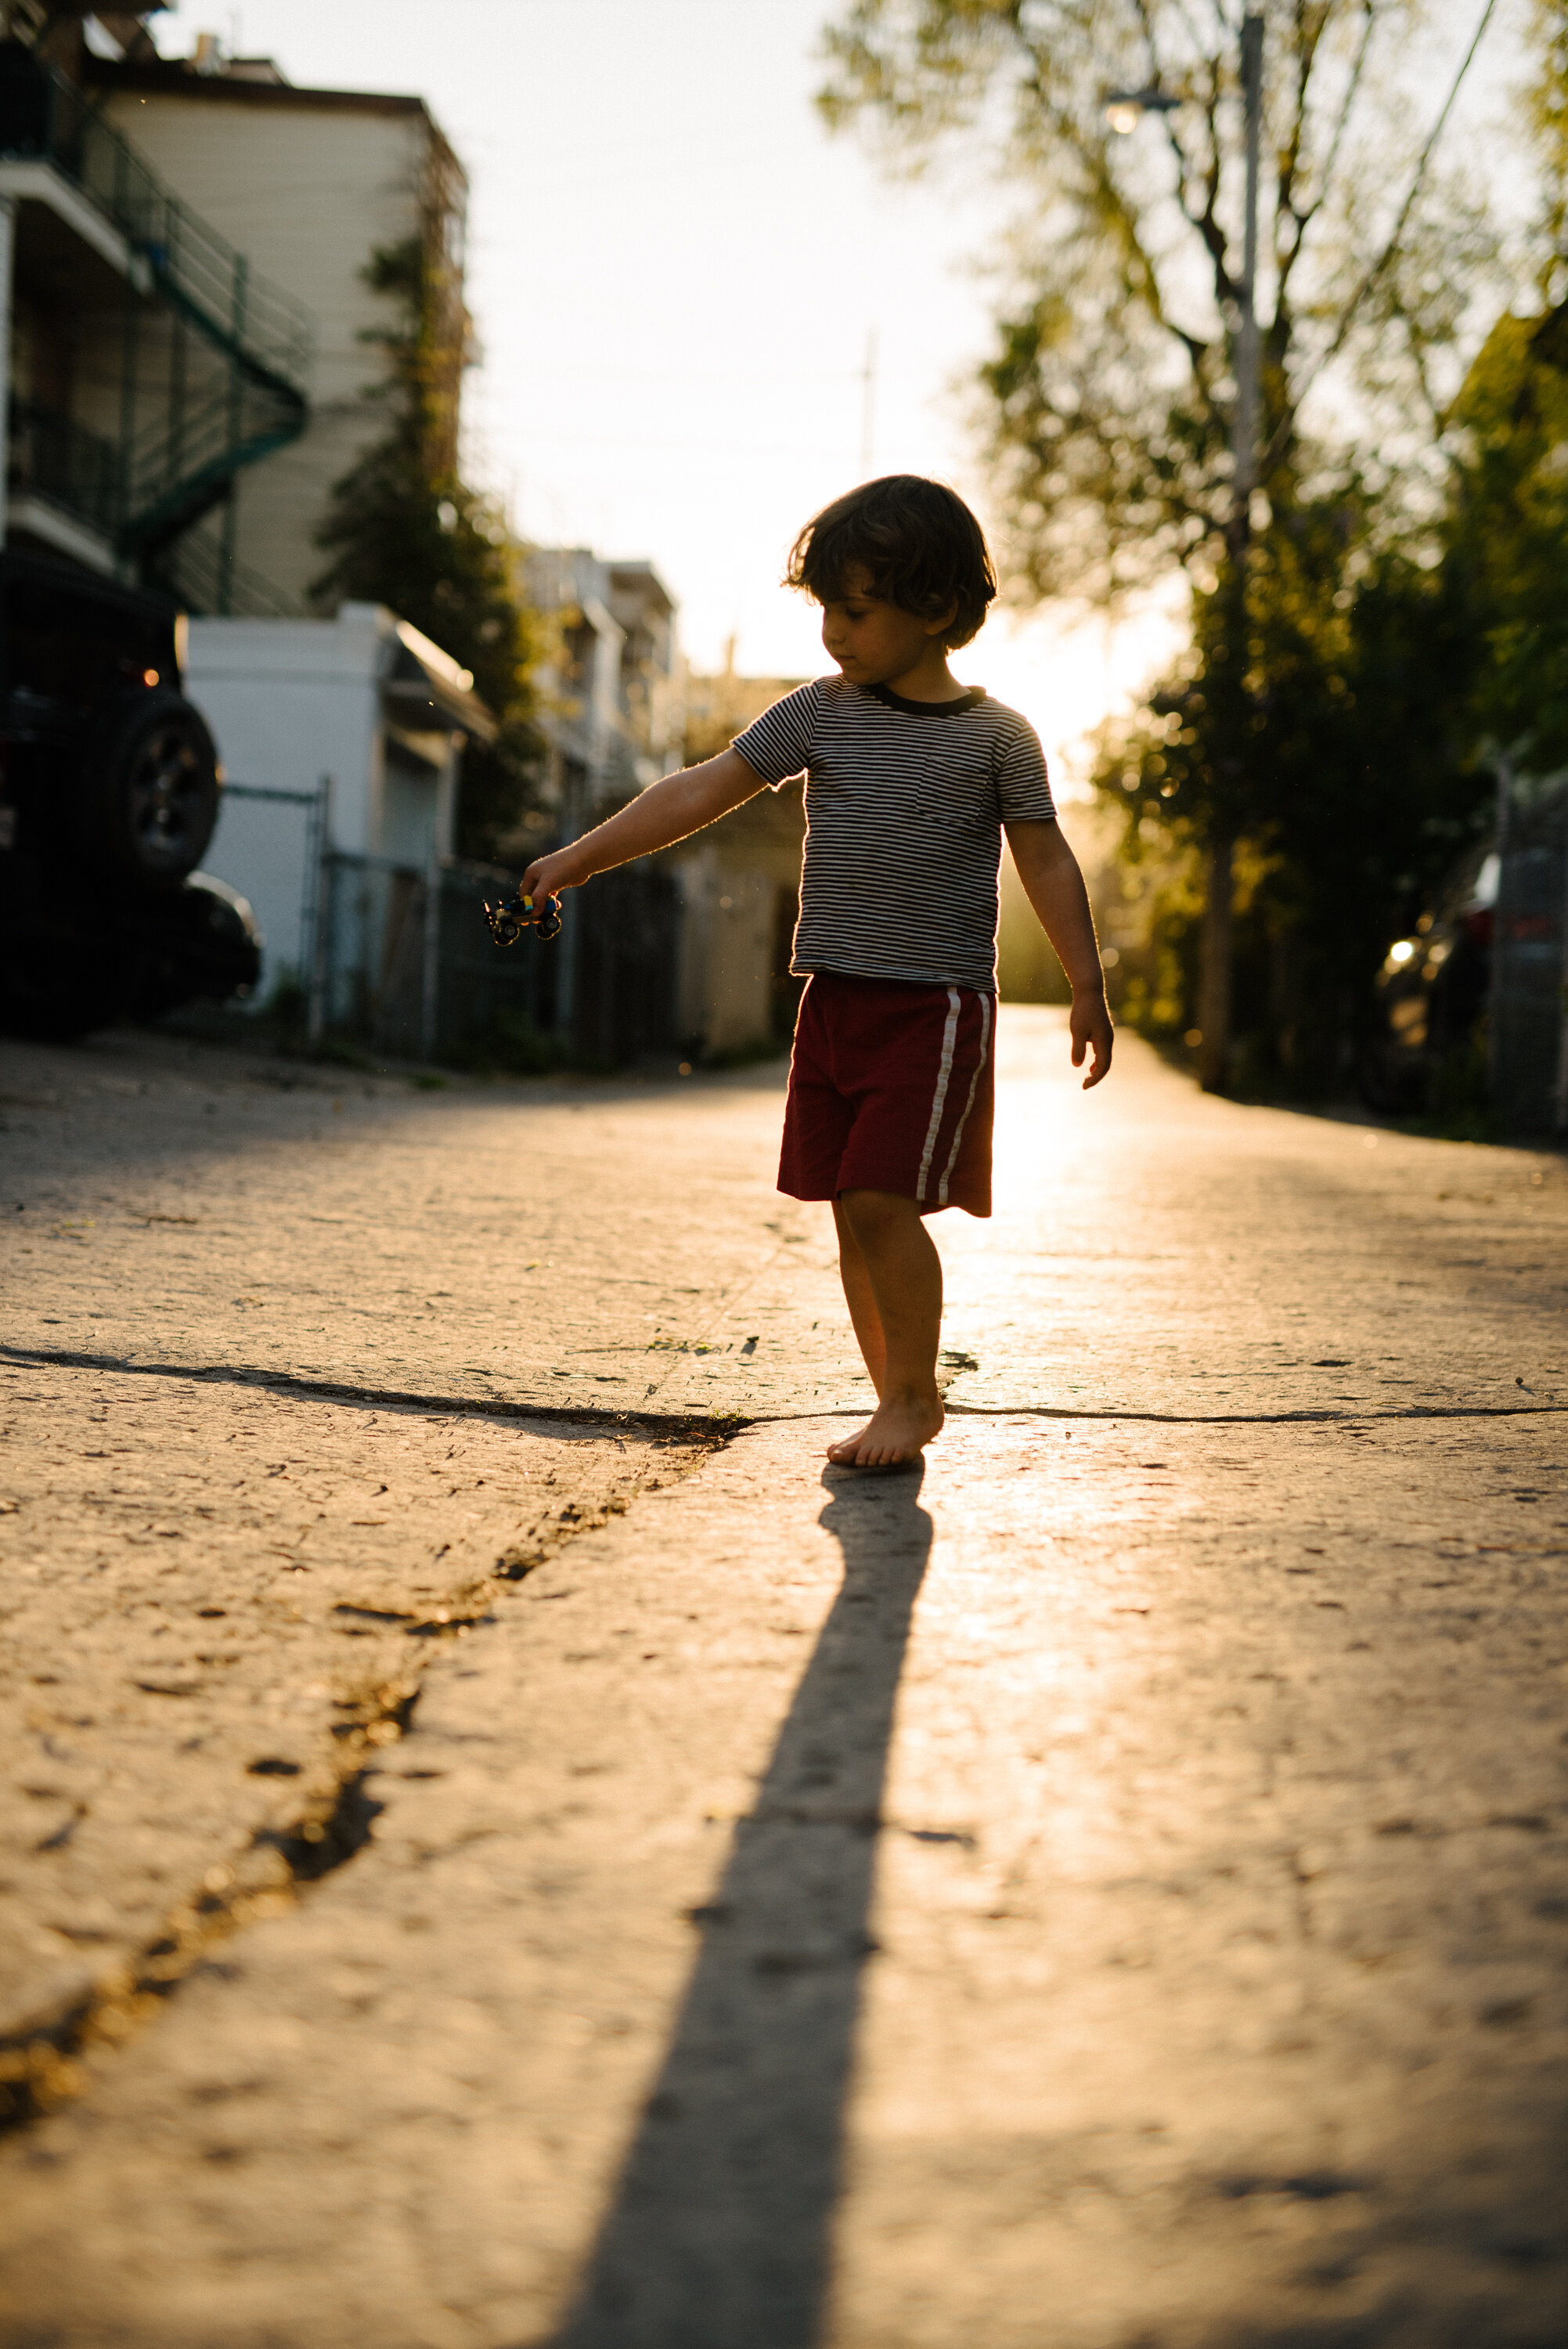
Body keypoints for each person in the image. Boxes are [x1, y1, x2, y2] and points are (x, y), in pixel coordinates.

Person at [519, 474, 1112, 1468]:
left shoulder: (997, 737)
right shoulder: (820, 716)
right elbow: (704, 787)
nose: (832, 632)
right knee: (849, 1212)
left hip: (933, 1010)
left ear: (933, 609)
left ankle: (916, 1400)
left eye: (855, 608)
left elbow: (1043, 858)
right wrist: (581, 856)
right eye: (824, 608)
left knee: (883, 1201)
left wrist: (1085, 983)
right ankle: (892, 1401)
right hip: (832, 1003)